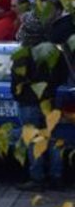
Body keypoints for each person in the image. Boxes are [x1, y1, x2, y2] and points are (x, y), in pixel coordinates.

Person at [12, 16, 69, 190]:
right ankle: (56, 176)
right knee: (52, 139)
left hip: (28, 102)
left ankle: (37, 178)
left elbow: (17, 78)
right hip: (50, 101)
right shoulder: (53, 51)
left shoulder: (23, 53)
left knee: (34, 141)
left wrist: (18, 94)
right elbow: (62, 75)